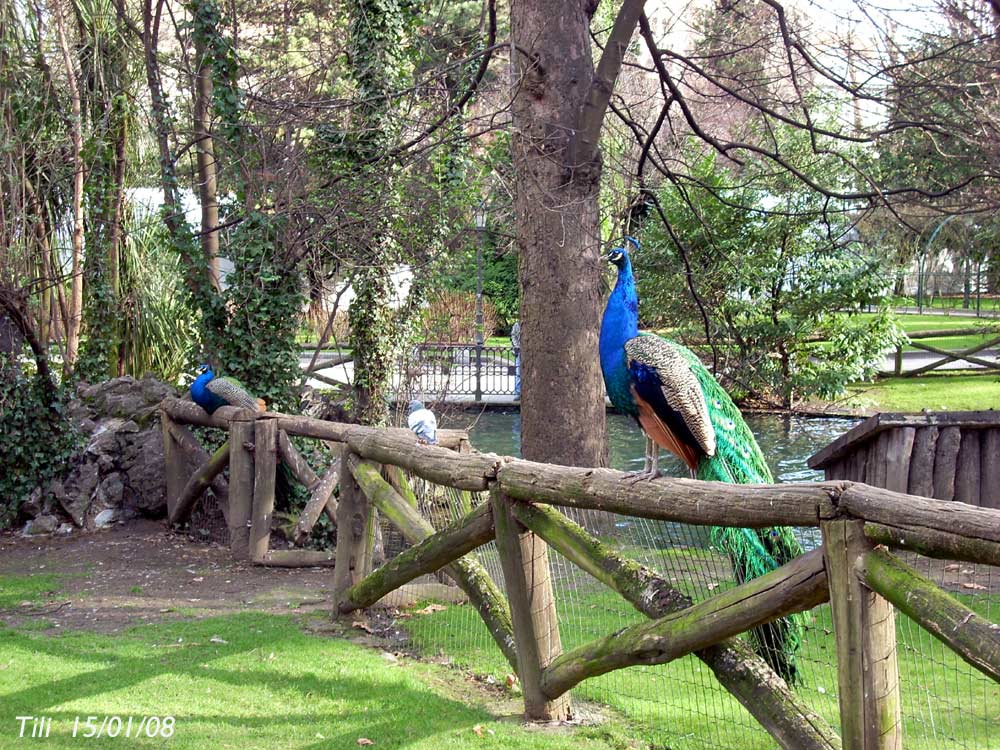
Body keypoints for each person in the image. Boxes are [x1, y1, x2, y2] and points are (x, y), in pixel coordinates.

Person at [510, 320, 521, 400]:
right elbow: (513, 336)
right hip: (519, 350)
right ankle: (518, 392)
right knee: (518, 372)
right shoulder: (517, 325)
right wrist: (517, 346)